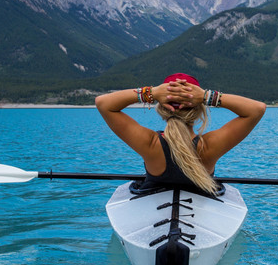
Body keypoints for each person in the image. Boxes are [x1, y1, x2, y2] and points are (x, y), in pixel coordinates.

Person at [95, 73, 266, 195]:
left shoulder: (149, 144)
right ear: (200, 109)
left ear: (161, 108)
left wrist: (151, 92)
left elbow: (103, 103)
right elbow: (257, 109)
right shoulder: (209, 146)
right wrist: (207, 96)